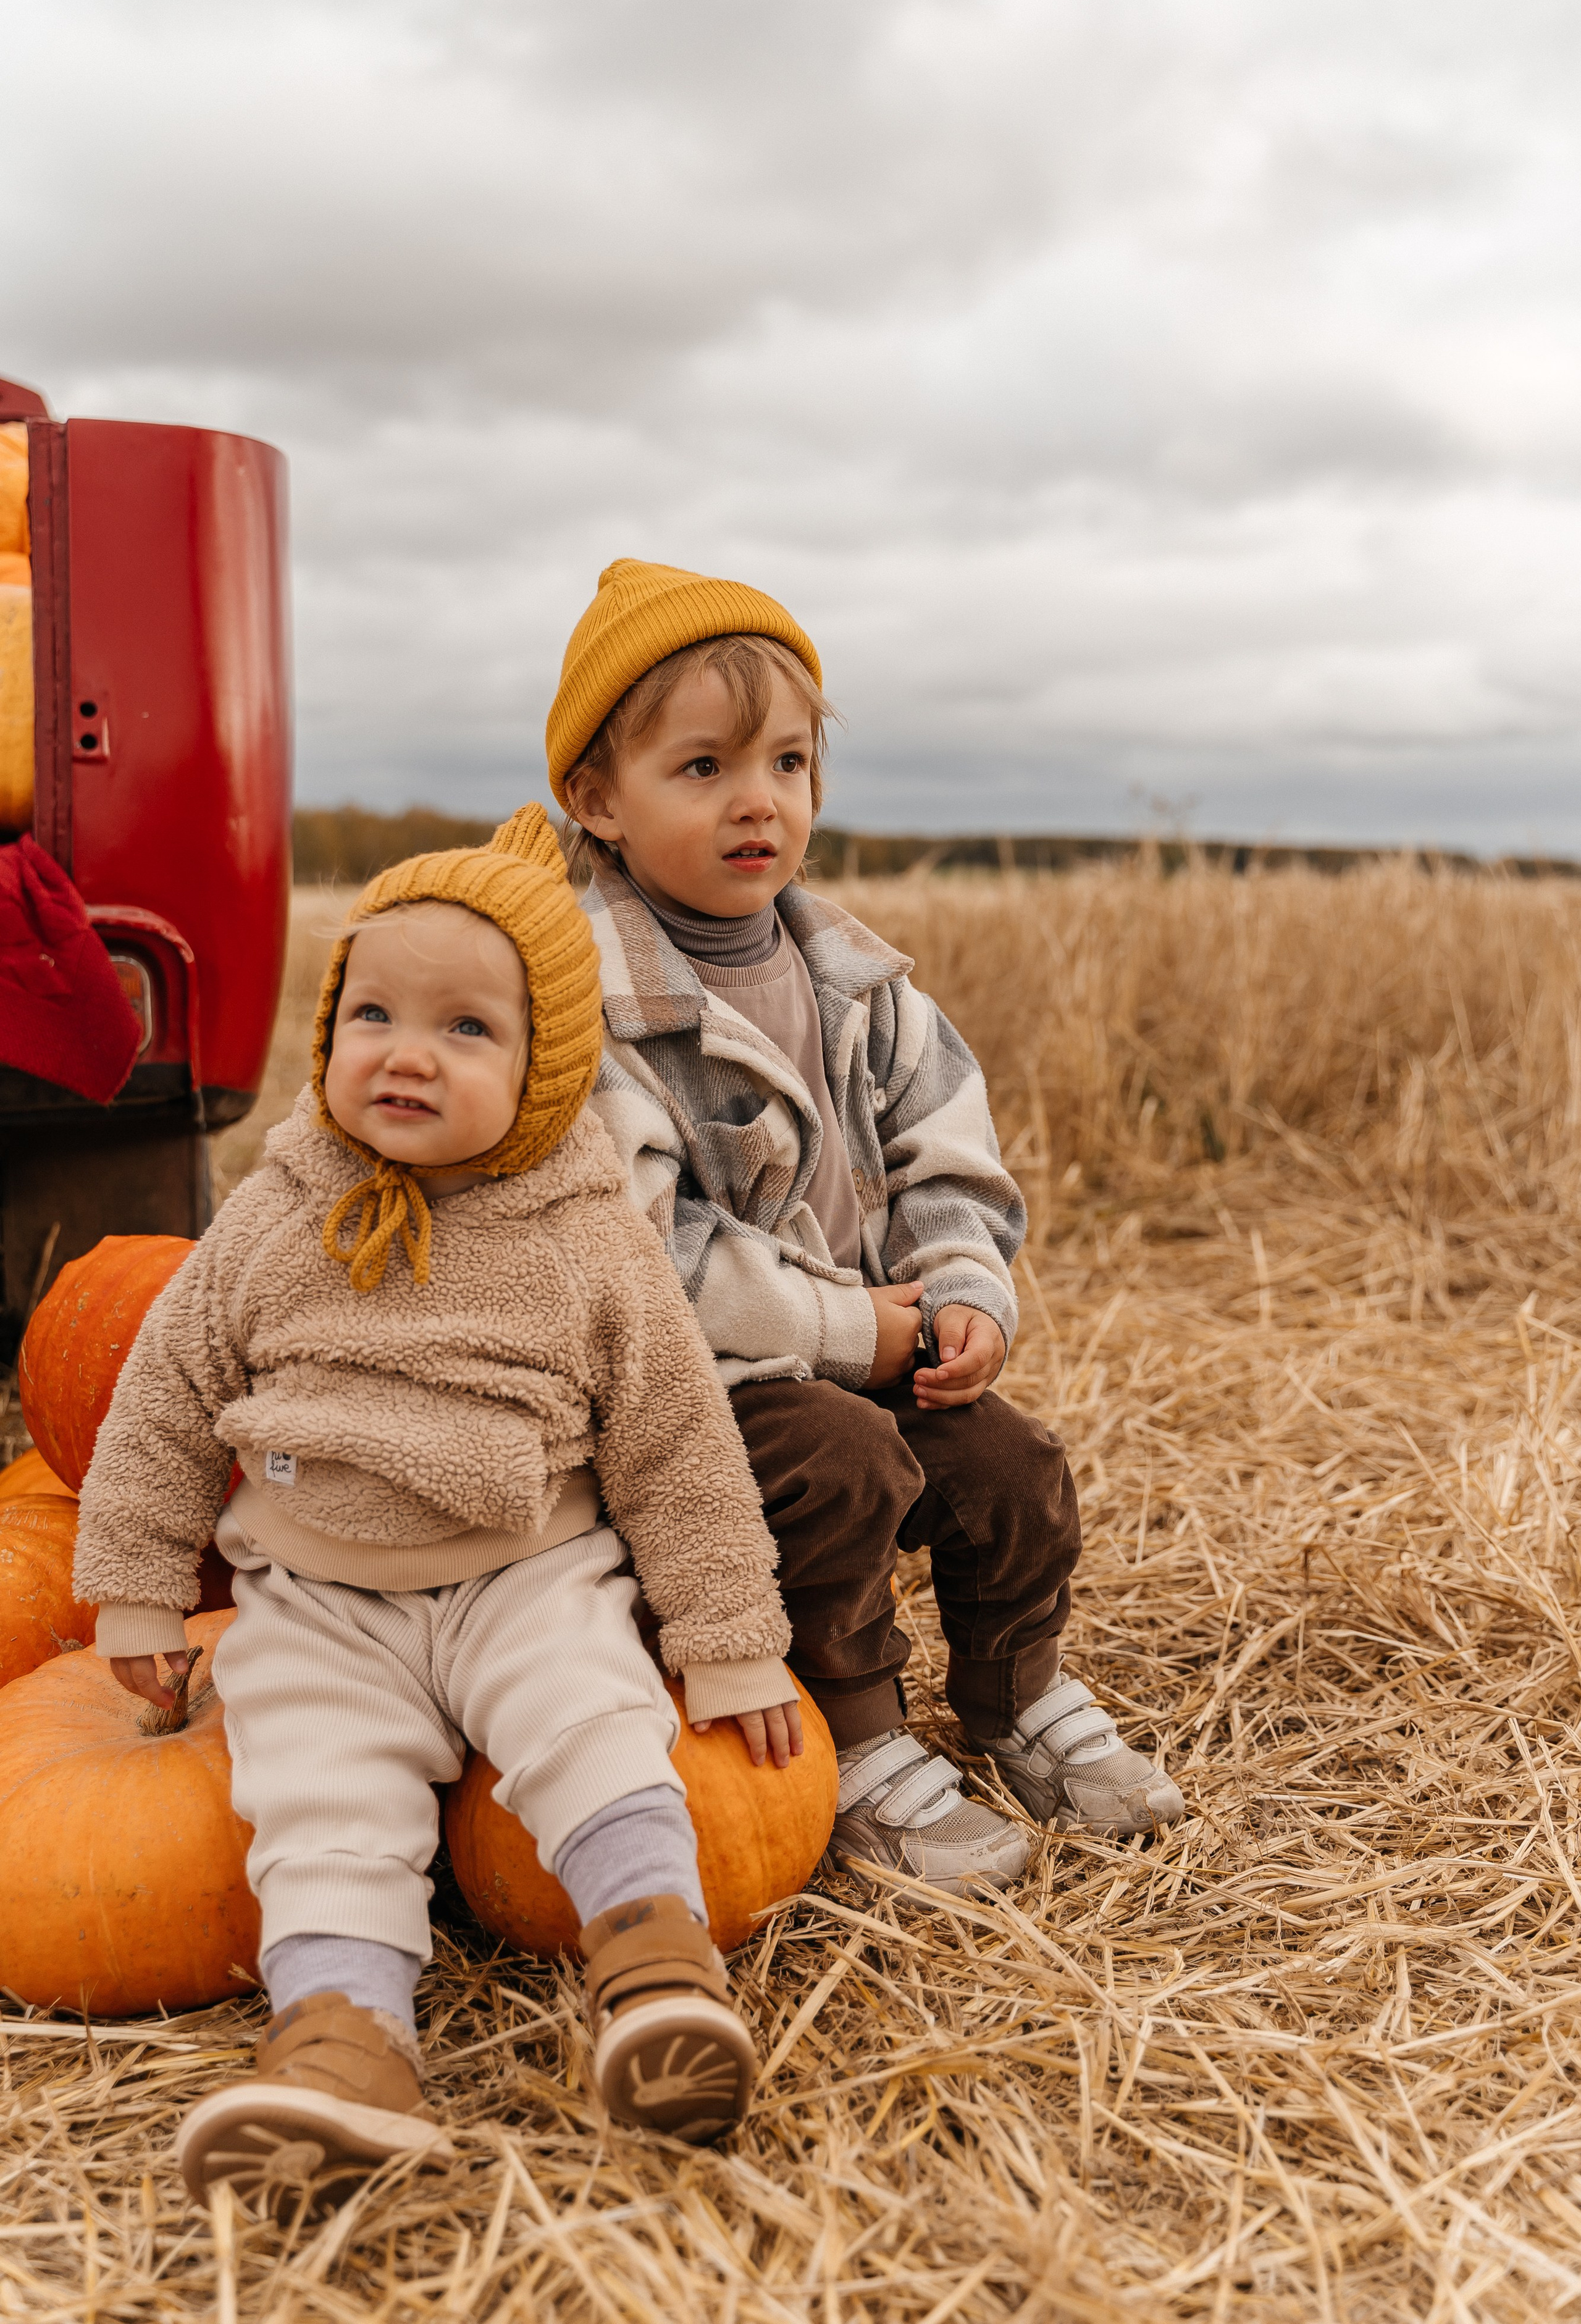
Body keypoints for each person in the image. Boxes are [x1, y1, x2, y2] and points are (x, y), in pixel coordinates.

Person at [73, 806, 801, 2209]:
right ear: (329, 1027)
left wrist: (728, 1632)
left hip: (523, 1572)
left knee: (594, 1718)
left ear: (544, 1075)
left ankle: (654, 1965)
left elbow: (676, 1446)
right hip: (315, 1598)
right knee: (313, 1795)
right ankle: (348, 2050)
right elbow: (163, 1401)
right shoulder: (276, 1215)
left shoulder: (585, 1236)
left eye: (466, 1031)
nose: (406, 1054)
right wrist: (139, 1587)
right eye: (375, 1015)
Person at [548, 560, 1186, 1897]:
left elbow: (944, 1153)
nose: (756, 800)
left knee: (1009, 1468)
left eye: (786, 761)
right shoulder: (596, 1009)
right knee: (838, 1469)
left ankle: (1011, 1696)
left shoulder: (857, 982)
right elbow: (638, 1250)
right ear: (596, 801)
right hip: (689, 1392)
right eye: (704, 766)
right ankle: (854, 1740)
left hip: (869, 1343)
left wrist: (959, 1289)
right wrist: (848, 1327)